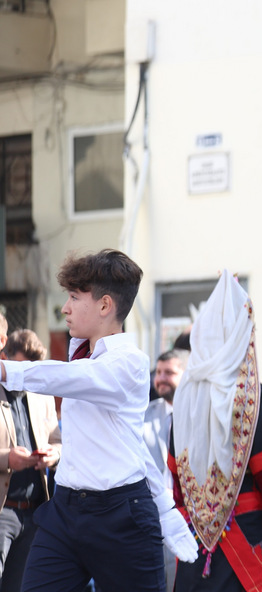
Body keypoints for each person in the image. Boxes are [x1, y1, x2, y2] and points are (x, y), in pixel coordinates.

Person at [0, 250, 197, 591]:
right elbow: (131, 449)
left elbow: (70, 378)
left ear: (105, 306)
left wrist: (5, 369)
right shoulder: (84, 358)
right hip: (65, 510)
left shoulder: (129, 364)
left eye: (75, 297)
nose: (65, 307)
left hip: (121, 518)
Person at [171, 269, 262, 592]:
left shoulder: (184, 395)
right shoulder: (250, 393)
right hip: (246, 536)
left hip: (195, 536)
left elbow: (174, 466)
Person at [0, 316, 60, 592]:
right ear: (4, 358)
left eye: (32, 370)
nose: (26, 377)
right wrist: (7, 459)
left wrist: (53, 454)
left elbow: (58, 440)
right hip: (3, 510)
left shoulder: (42, 394)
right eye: (20, 369)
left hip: (34, 513)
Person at [144, 348, 187, 591]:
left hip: (189, 518)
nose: (160, 378)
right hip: (152, 519)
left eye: (168, 373)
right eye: (158, 372)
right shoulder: (143, 414)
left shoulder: (198, 413)